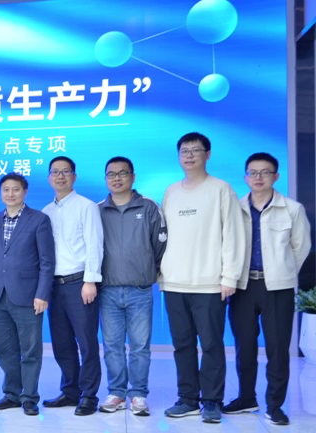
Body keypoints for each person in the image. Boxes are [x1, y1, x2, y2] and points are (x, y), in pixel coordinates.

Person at [160, 132, 245, 423]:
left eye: (195, 150)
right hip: (174, 283)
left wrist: (229, 276)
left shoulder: (221, 189)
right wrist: (161, 274)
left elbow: (233, 234)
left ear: (207, 155)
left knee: (211, 345)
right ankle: (187, 399)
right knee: (182, 345)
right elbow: (164, 236)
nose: (189, 155)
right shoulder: (171, 191)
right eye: (184, 151)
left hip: (210, 283)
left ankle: (211, 401)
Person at [224, 152, 310, 426]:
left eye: (265, 172)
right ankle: (246, 398)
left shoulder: (292, 209)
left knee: (277, 348)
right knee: (244, 346)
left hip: (277, 288)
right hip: (243, 286)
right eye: (253, 172)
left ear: (276, 176)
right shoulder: (234, 209)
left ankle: (275, 406)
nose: (258, 177)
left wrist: (282, 271)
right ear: (245, 177)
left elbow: (300, 248)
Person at [97, 157, 166, 416]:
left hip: (140, 290)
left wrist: (146, 270)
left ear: (133, 177)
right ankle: (116, 393)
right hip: (108, 290)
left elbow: (160, 244)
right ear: (106, 179)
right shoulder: (98, 210)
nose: (117, 178)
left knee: (139, 346)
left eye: (122, 173)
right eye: (111, 174)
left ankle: (138, 394)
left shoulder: (148, 206)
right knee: (112, 345)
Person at [41, 156, 104, 416]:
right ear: (49, 178)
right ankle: (70, 391)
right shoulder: (46, 212)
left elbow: (95, 244)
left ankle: (89, 395)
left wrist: (90, 281)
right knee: (62, 343)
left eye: (65, 171)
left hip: (80, 283)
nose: (60, 176)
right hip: (54, 287)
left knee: (87, 343)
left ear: (74, 177)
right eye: (55, 172)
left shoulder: (86, 207)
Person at [0, 173, 54, 417]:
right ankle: (12, 394)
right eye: (6, 189)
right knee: (4, 349)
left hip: (28, 296)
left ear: (24, 192)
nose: (10, 194)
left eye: (15, 189)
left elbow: (47, 261)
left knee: (30, 350)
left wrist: (42, 294)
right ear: (0, 193)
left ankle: (29, 397)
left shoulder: (39, 220)